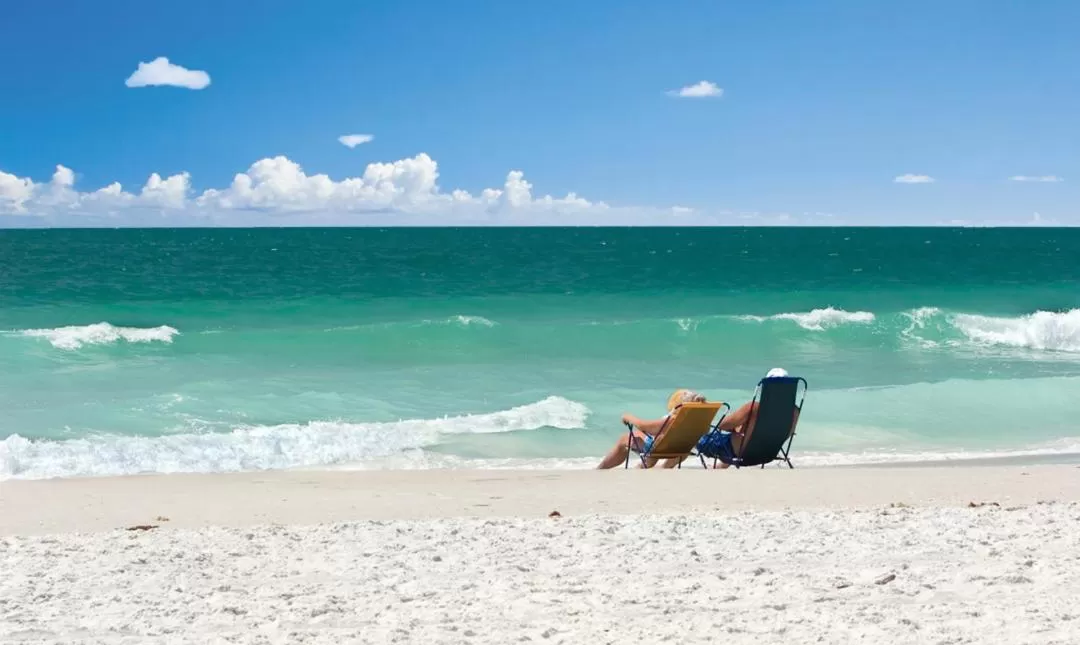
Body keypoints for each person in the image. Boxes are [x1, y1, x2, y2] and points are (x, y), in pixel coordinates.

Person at [707, 367, 800, 468]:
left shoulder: (754, 408)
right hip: (767, 454)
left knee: (699, 438)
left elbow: (722, 425)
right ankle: (718, 468)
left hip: (742, 454)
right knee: (743, 437)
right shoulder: (794, 411)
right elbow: (788, 433)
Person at [595, 389, 707, 469]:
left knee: (624, 439)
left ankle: (601, 468)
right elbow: (706, 432)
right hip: (683, 449)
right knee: (658, 441)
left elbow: (643, 426)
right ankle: (657, 467)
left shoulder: (672, 420)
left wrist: (627, 416)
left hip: (660, 448)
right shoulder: (698, 421)